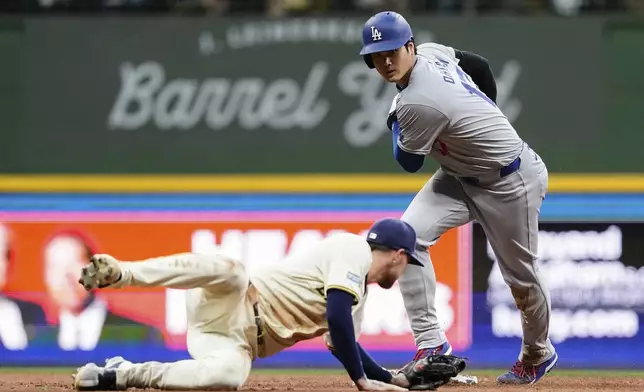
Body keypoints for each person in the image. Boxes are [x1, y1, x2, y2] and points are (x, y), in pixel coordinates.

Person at [358, 11, 557, 384]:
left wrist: (393, 118)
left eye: (392, 51)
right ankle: (431, 346)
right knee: (404, 239)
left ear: (410, 46)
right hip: (459, 175)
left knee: (521, 279)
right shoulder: (432, 52)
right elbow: (478, 65)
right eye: (376, 55)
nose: (385, 61)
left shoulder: (417, 102)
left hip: (511, 182)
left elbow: (408, 161)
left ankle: (537, 352)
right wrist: (484, 113)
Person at [72, 218, 466, 391]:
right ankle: (123, 273)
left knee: (228, 377)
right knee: (230, 270)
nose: (406, 269)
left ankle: (124, 374)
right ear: (398, 255)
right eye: (408, 262)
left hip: (234, 343)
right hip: (232, 300)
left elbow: (342, 342)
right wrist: (362, 382)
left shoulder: (352, 299)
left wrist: (391, 378)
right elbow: (336, 320)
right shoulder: (352, 249)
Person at [42, 230, 162, 351]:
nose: (66, 277)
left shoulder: (140, 336)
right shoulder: (40, 341)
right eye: (55, 267)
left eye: (74, 264)